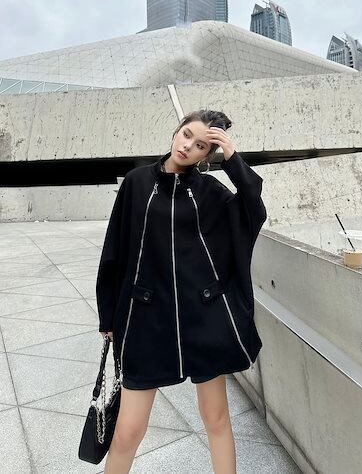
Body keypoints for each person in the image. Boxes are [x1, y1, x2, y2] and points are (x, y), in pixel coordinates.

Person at [97, 109, 267, 473]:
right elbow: (114, 249)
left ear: (207, 156)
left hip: (202, 319)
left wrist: (233, 159)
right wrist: (107, 315)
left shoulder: (210, 192)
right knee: (127, 432)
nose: (188, 146)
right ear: (177, 131)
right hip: (145, 320)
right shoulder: (137, 183)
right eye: (187, 135)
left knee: (216, 419)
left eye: (201, 145)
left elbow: (253, 210)